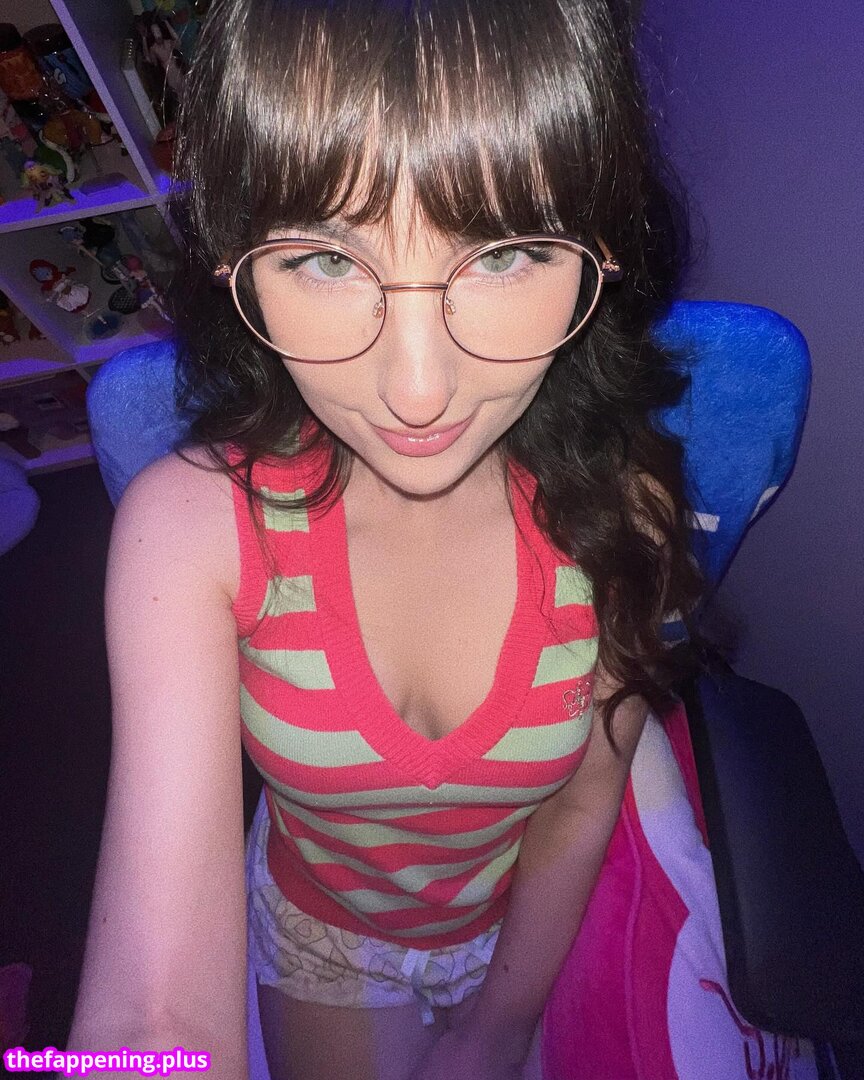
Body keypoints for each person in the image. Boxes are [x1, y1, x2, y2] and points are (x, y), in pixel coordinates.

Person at [65, 1, 818, 1079]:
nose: (418, 391)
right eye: (325, 260)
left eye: (505, 253)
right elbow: (153, 1017)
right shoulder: (188, 533)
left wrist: (496, 1027)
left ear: (600, 254)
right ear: (236, 264)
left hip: (525, 926)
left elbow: (580, 803)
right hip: (320, 937)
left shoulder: (628, 511)